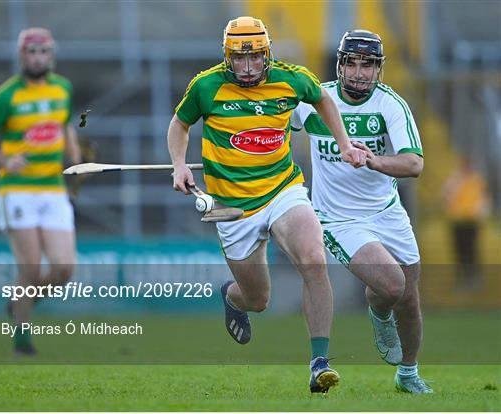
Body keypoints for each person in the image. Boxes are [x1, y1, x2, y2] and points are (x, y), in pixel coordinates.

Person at [167, 16, 366, 393]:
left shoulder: (292, 79)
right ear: (227, 57)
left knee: (313, 258)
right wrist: (179, 166)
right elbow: (180, 124)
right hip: (232, 205)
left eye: (255, 58)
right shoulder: (206, 86)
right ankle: (232, 296)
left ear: (267, 53)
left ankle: (319, 363)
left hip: (282, 190)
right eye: (238, 60)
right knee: (258, 299)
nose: (246, 68)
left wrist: (343, 143)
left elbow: (324, 100)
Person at [291, 29, 433, 394]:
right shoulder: (315, 101)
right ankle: (379, 309)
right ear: (339, 65)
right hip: (337, 218)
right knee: (391, 284)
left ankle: (408, 373)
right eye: (351, 63)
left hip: (388, 212)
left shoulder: (390, 105)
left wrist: (372, 160)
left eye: (367, 65)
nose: (358, 73)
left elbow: (413, 164)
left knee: (411, 300)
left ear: (378, 69)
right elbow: (273, 128)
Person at [0, 28, 81, 355]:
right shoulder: (6, 96)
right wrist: (6, 160)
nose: (38, 58)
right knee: (31, 269)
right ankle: (22, 335)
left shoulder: (63, 88)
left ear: (51, 54)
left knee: (64, 269)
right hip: (17, 190)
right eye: (32, 52)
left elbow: (64, 125)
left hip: (53, 189)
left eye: (43, 52)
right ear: (22, 56)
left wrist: (73, 154)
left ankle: (21, 300)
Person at [442, 155, 489, 289]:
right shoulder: (456, 180)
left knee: (472, 250)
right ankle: (462, 279)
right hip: (457, 221)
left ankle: (474, 278)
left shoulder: (476, 180)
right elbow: (446, 195)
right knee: (459, 250)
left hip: (471, 221)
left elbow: (483, 200)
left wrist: (479, 213)